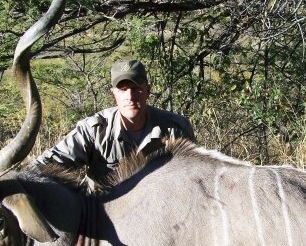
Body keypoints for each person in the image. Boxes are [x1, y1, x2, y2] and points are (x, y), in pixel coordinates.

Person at [33, 59, 195, 187]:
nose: (130, 96)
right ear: (113, 94)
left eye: (136, 88)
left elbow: (192, 175)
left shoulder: (176, 128)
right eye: (123, 89)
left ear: (148, 91)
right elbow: (47, 164)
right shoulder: (94, 130)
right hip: (105, 215)